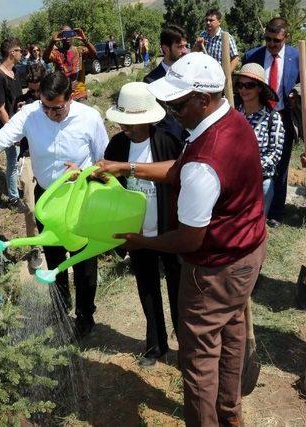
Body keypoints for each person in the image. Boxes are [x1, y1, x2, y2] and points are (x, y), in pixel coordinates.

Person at [94, 52, 266, 426]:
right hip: (247, 253)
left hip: (215, 269)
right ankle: (229, 413)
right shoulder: (230, 121)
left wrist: (143, 242)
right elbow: (182, 168)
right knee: (232, 331)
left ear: (203, 99)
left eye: (176, 103)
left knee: (200, 357)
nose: (170, 111)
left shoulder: (206, 160)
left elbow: (189, 240)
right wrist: (126, 167)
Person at [0, 71, 109, 337]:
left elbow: (105, 161)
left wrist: (87, 171)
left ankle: (84, 315)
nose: (51, 113)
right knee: (54, 256)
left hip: (80, 198)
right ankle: (61, 306)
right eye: (46, 106)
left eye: (57, 108)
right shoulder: (32, 114)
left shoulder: (89, 118)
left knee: (83, 260)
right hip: (48, 198)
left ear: (70, 98)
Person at [104, 82, 183, 367]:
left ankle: (184, 344)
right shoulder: (117, 145)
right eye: (125, 121)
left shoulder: (167, 142)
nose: (128, 127)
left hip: (168, 229)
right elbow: (109, 184)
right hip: (137, 232)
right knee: (147, 288)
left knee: (177, 288)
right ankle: (156, 345)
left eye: (133, 122)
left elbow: (178, 180)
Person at [243, 17, 300, 227]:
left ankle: (275, 211)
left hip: (284, 116)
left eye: (276, 40)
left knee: (280, 164)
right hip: (257, 115)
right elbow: (244, 88)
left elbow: (303, 86)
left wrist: (296, 95)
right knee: (253, 160)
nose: (271, 44)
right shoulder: (252, 56)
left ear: (286, 37)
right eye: (268, 39)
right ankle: (252, 207)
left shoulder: (297, 56)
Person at [234, 63, 285, 216]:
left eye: (249, 85)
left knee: (256, 229)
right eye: (240, 85)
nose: (243, 89)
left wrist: (252, 168)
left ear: (260, 88)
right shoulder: (234, 114)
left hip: (260, 183)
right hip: (235, 182)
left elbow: (275, 153)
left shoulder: (272, 118)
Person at [0, 37, 29, 214]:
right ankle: (13, 197)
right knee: (12, 161)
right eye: (19, 50)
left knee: (21, 161)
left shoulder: (15, 72)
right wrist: (13, 133)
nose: (22, 53)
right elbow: (0, 108)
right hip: (9, 128)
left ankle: (20, 188)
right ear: (12, 53)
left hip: (20, 124)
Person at [15, 62, 48, 270]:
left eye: (39, 90)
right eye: (32, 90)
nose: (35, 95)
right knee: (30, 203)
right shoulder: (22, 102)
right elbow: (15, 136)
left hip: (50, 155)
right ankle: (36, 245)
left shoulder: (51, 99)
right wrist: (20, 115)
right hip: (28, 156)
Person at [144, 24, 189, 139]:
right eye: (179, 47)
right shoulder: (151, 81)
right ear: (165, 48)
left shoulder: (191, 73)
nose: (184, 51)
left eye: (185, 46)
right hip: (169, 141)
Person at [44, 25, 97, 102]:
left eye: (69, 34)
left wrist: (85, 40)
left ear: (73, 35)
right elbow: (45, 59)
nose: (67, 37)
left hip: (80, 94)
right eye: (64, 34)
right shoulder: (56, 53)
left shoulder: (79, 50)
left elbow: (94, 54)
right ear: (61, 36)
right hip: (63, 96)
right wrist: (52, 42)